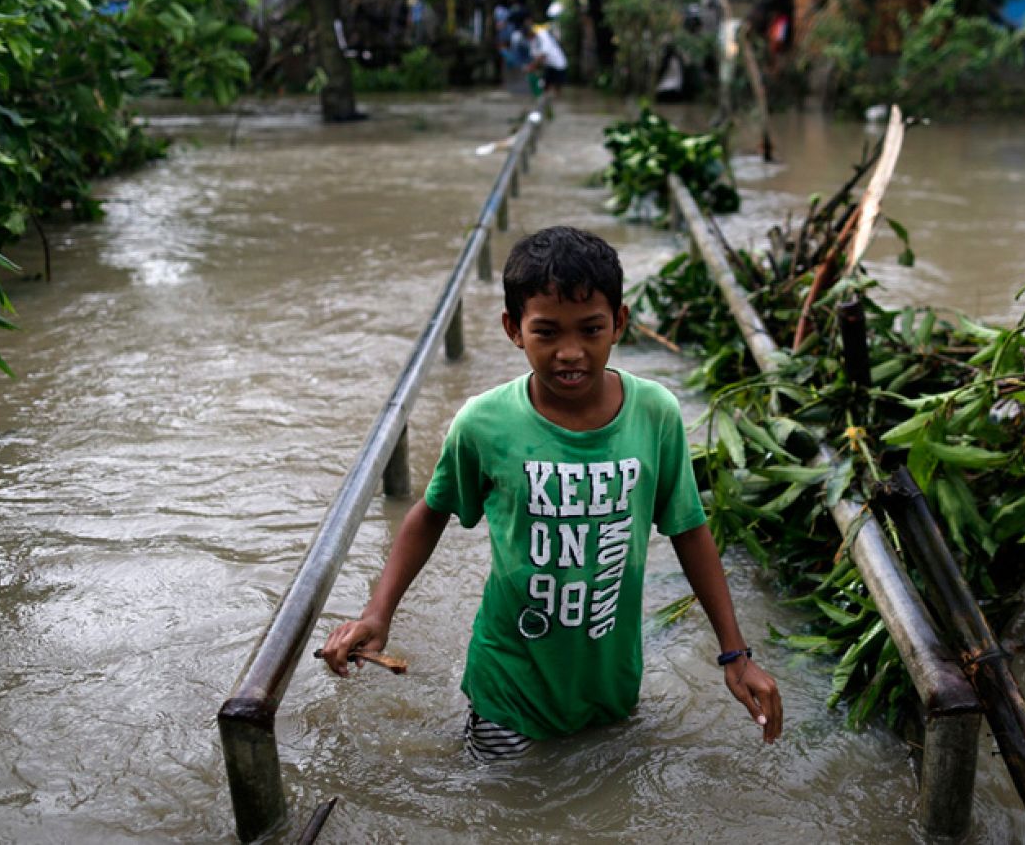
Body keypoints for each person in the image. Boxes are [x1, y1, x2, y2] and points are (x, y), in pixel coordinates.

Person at [321, 226, 783, 761]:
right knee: (506, 808)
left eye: (591, 330)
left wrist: (735, 652)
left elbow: (689, 530)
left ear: (620, 324)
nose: (571, 353)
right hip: (509, 690)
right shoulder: (485, 422)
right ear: (513, 330)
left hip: (610, 685)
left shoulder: (655, 413)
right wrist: (380, 613)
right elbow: (430, 514)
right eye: (547, 333)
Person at [522, 20, 568, 95]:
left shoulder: (542, 35)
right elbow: (535, 56)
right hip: (548, 65)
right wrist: (532, 67)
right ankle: (547, 104)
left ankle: (556, 103)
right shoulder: (532, 40)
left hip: (558, 64)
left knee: (557, 88)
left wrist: (531, 67)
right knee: (546, 87)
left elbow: (543, 55)